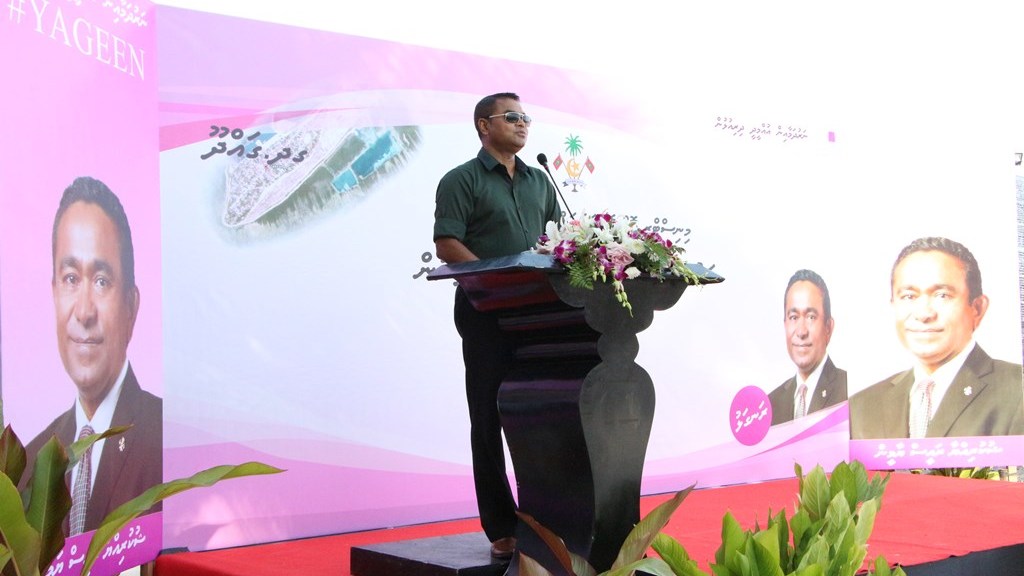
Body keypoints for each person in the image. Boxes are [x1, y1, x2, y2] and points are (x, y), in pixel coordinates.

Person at [432, 93, 561, 559]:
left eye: (526, 117)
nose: (523, 124)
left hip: (541, 312)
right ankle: (501, 525)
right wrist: (494, 281)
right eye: (512, 117)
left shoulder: (540, 181)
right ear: (484, 126)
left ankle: (551, 518)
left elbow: (557, 241)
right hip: (486, 310)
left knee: (544, 413)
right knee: (488, 417)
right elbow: (447, 242)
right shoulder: (461, 179)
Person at [23, 176, 162, 535]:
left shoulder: (169, 444)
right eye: (71, 279)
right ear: (54, 293)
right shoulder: (28, 468)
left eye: (101, 281)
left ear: (131, 307)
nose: (84, 312)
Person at [850, 237, 1024, 439]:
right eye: (909, 296)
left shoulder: (1017, 390)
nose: (924, 314)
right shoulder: (861, 407)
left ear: (977, 308)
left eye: (942, 295)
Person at [768, 269, 847, 424]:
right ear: (785, 325)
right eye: (793, 317)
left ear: (828, 327)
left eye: (811, 317)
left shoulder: (850, 390)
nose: (801, 331)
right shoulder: (770, 406)